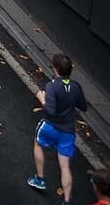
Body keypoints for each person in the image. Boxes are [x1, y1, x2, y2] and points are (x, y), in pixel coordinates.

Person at [28, 53, 89, 202]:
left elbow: (50, 110)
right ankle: (66, 200)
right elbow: (83, 106)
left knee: (37, 143)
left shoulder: (52, 86)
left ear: (55, 68)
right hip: (67, 131)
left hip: (50, 126)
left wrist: (42, 98)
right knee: (65, 166)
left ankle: (39, 179)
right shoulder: (76, 87)